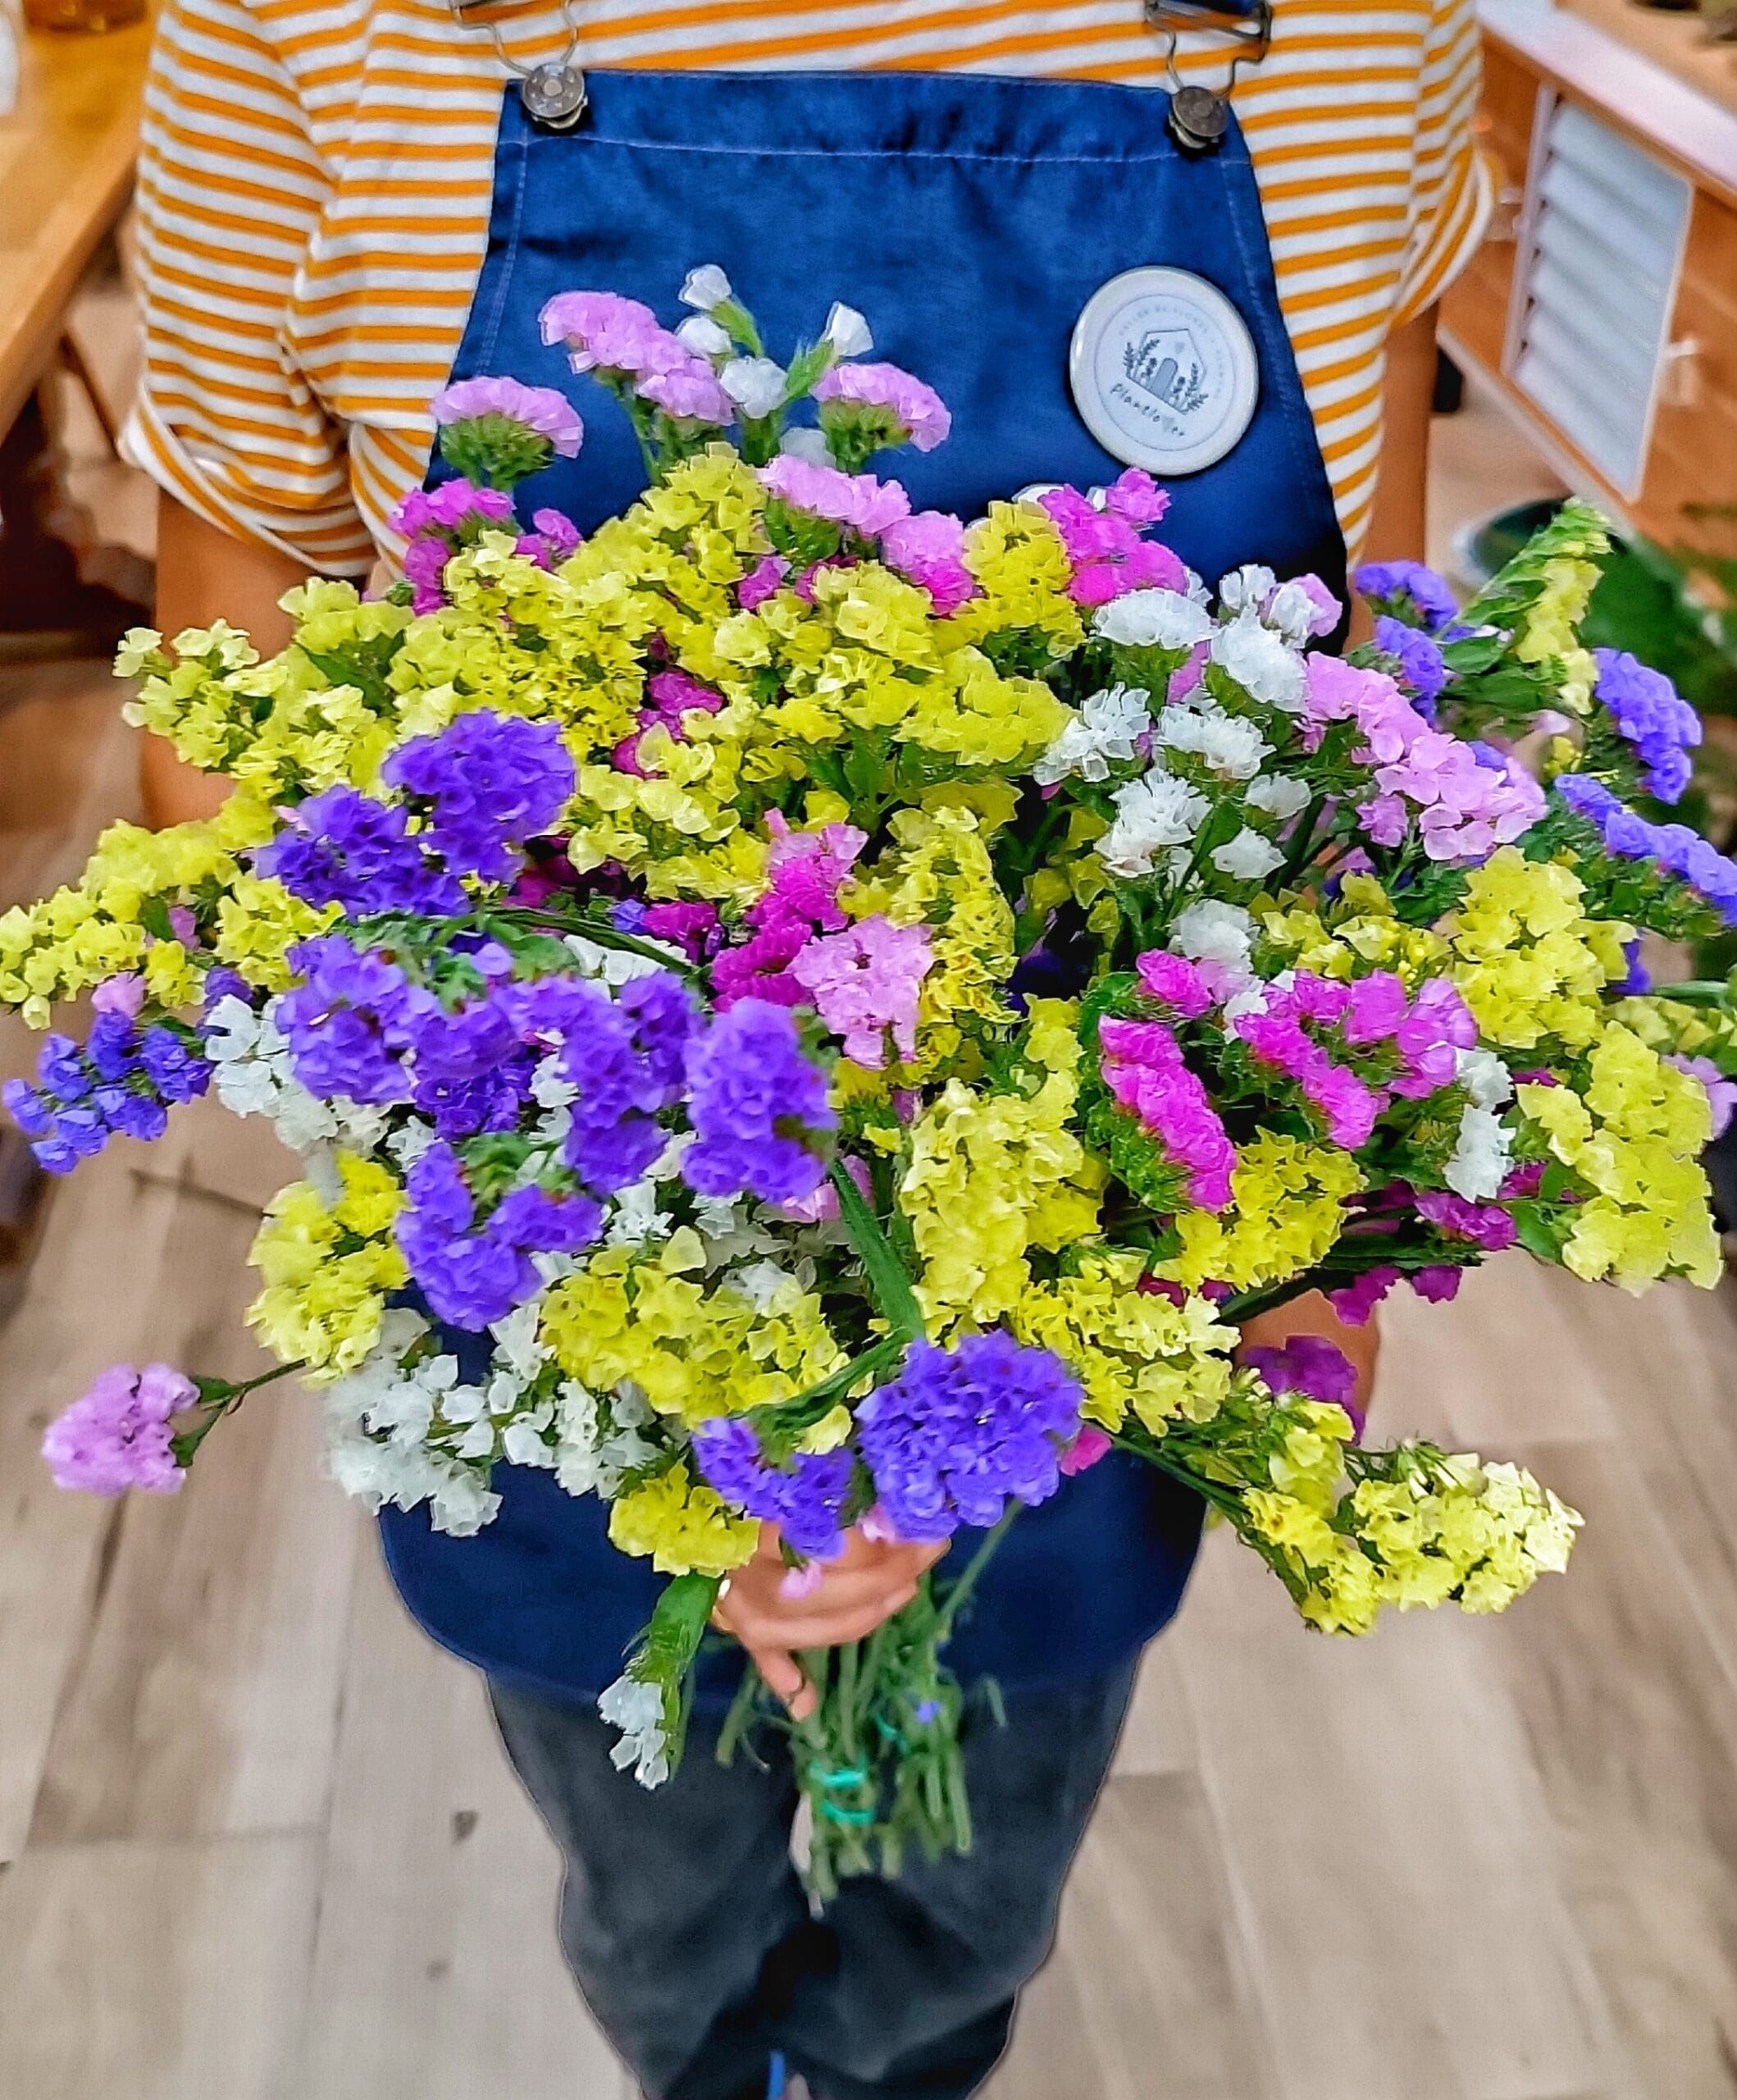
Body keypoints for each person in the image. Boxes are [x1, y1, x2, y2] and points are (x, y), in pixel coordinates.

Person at [129, 0, 1476, 2091]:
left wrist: (1326, 1203)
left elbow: (1357, 653)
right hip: (575, 1249)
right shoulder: (304, 28)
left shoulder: (1363, 27)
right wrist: (672, 1363)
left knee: (978, 1883)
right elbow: (235, 631)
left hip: (1107, 1266)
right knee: (655, 1882)